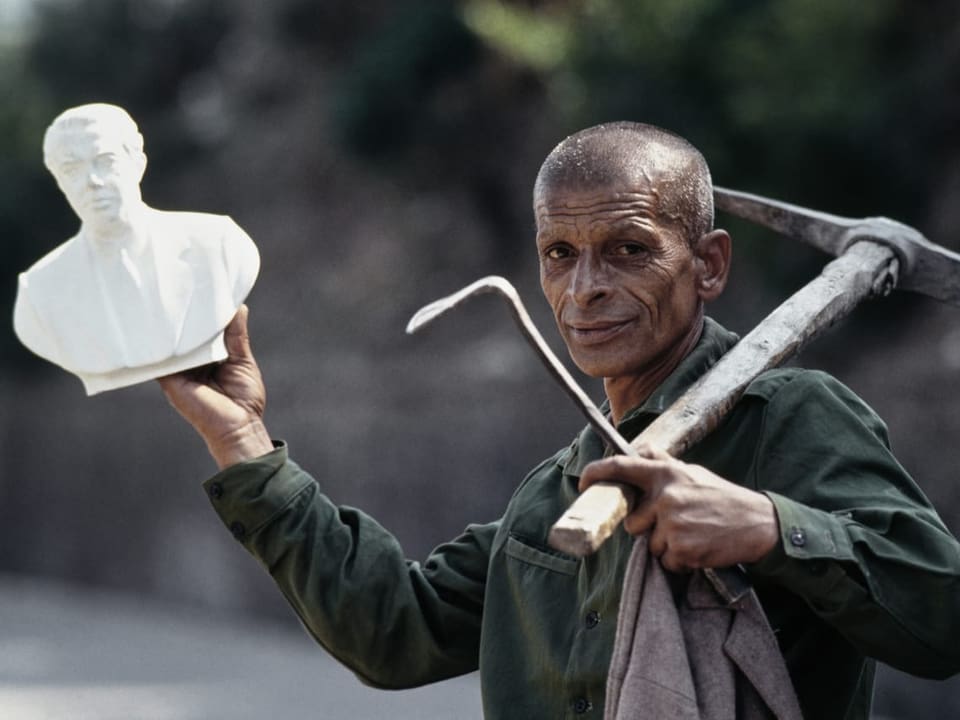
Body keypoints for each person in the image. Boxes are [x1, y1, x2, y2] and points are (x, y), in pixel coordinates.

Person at [160, 122, 960, 719]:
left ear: (709, 263)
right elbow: (394, 632)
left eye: (628, 249)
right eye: (559, 253)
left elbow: (942, 620)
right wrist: (243, 445)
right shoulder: (561, 491)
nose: (585, 290)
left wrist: (769, 528)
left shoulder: (788, 419)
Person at [14, 103, 259, 395]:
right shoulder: (39, 292)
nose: (92, 181)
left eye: (105, 160)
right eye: (72, 169)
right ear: (60, 182)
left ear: (137, 163)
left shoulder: (220, 245)